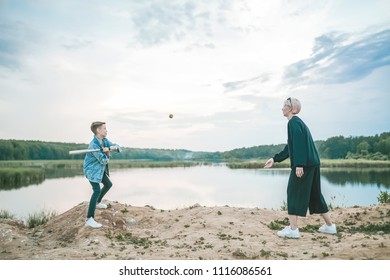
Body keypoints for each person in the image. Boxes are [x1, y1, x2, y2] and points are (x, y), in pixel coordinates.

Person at [264, 97, 336, 238]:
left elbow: (299, 145)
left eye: (284, 105)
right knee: (315, 194)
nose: (282, 108)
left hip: (305, 164)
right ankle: (330, 226)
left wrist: (299, 164)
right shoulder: (297, 123)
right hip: (313, 163)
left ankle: (293, 229)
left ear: (291, 108)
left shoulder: (293, 123)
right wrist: (275, 159)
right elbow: (290, 147)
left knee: (293, 191)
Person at [83, 121, 121, 228]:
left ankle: (98, 202)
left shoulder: (104, 140)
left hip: (100, 170)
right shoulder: (93, 145)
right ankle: (89, 219)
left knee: (108, 184)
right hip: (92, 171)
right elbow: (104, 160)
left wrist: (114, 147)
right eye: (104, 128)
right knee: (96, 190)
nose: (106, 130)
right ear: (98, 130)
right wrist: (107, 153)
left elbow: (119, 147)